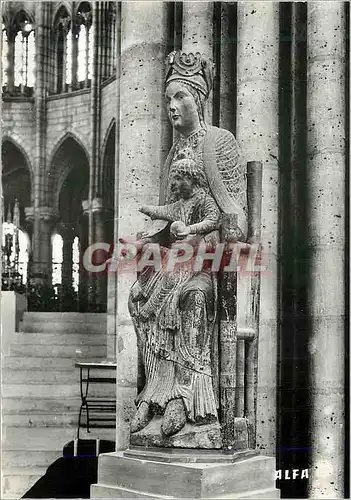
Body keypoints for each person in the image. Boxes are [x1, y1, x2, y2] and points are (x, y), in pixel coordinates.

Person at [128, 50, 247, 442]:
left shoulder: (220, 143)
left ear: (200, 99)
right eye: (167, 101)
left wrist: (204, 228)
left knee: (192, 299)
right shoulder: (171, 158)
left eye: (180, 97)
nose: (172, 108)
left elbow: (237, 219)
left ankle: (188, 397)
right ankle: (155, 393)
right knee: (138, 296)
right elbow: (167, 220)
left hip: (209, 262)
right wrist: (150, 238)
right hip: (177, 257)